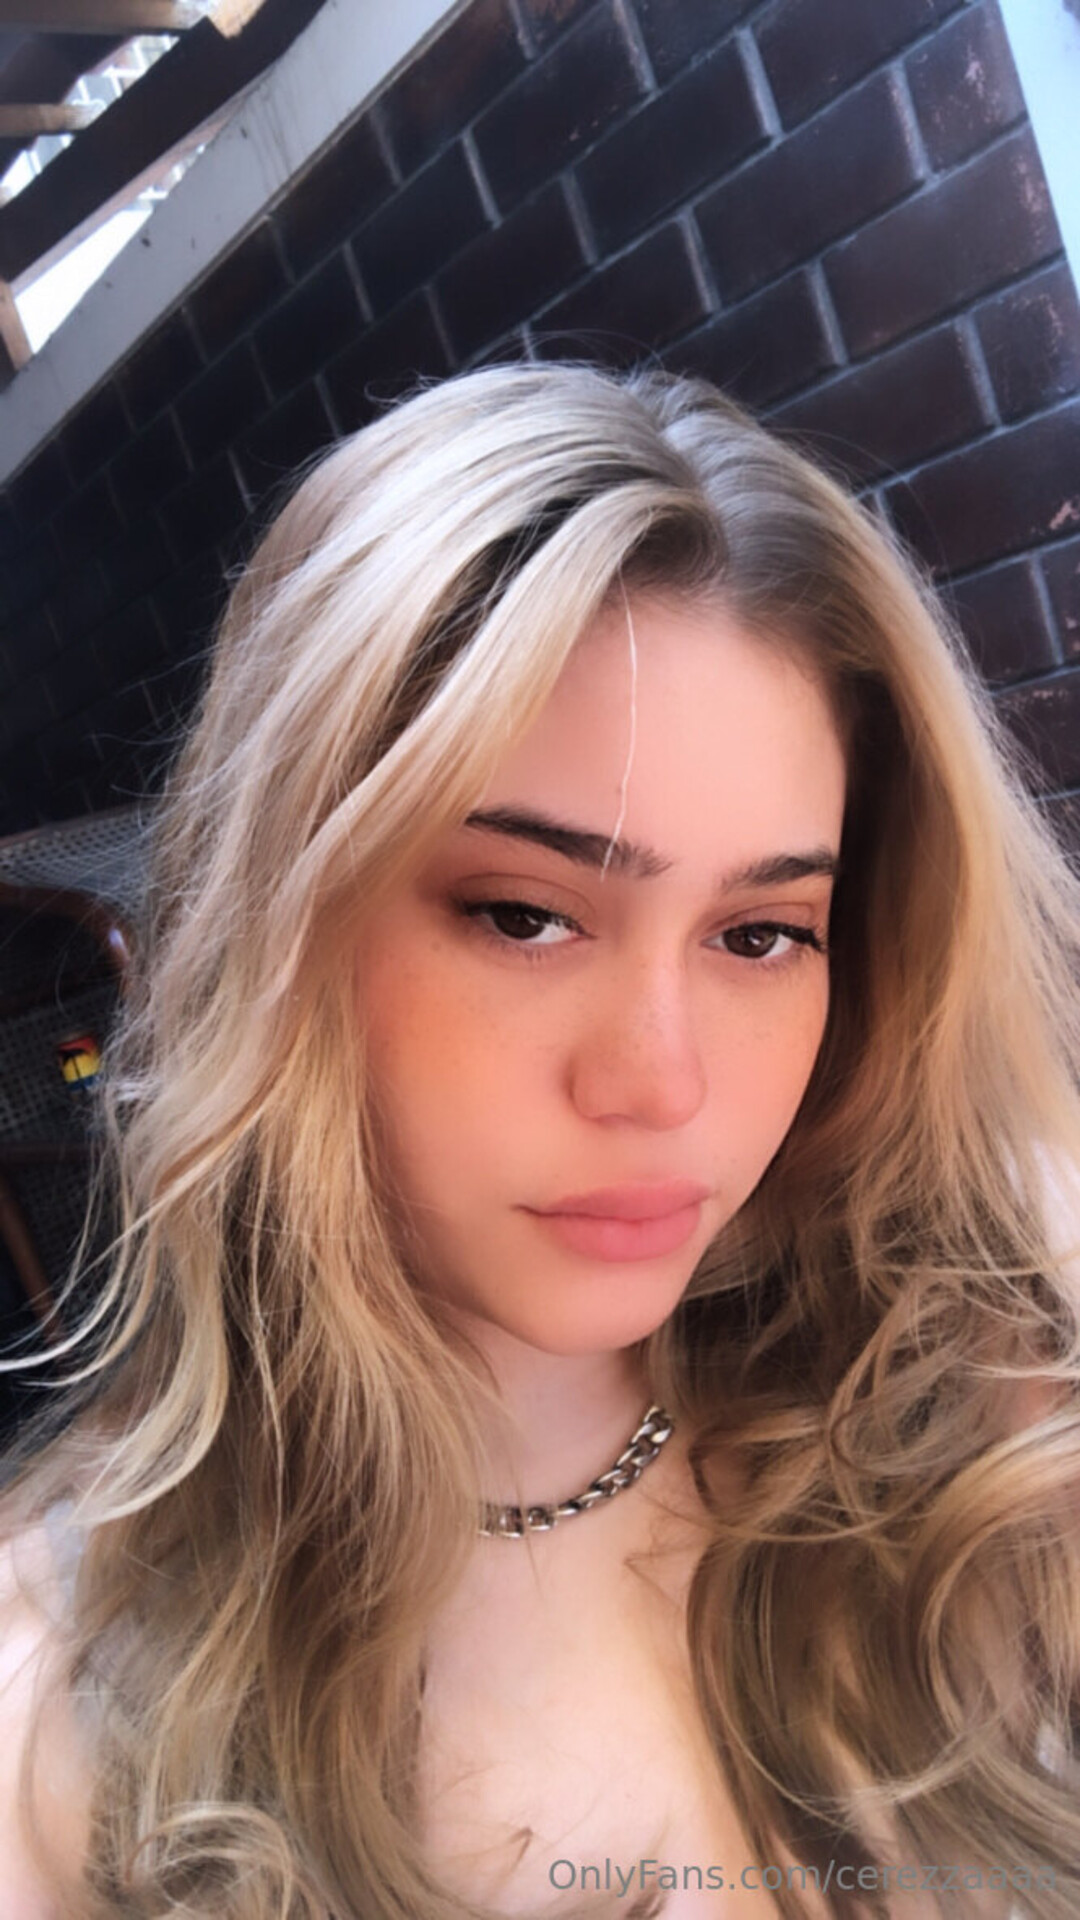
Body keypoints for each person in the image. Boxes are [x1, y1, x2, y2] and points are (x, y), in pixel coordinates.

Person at [0, 361, 1078, 1920]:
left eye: (763, 935)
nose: (663, 1083)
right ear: (280, 933)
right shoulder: (59, 1733)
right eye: (524, 914)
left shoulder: (997, 1402)